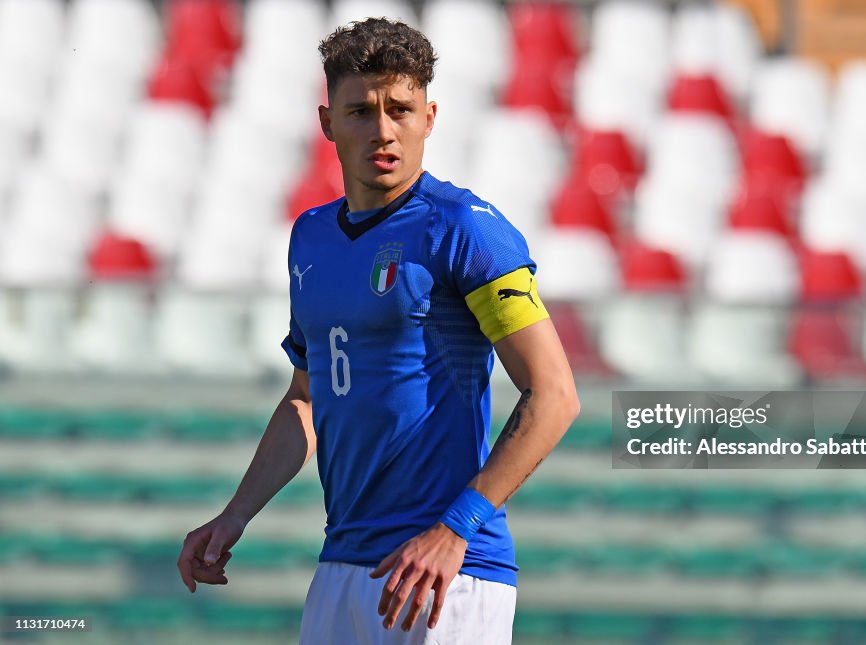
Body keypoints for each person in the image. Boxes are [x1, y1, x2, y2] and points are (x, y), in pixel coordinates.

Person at [177, 17, 579, 645]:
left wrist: (455, 529)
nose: (384, 130)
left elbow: (555, 395)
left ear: (430, 116)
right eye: (361, 111)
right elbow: (308, 398)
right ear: (327, 122)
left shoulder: (466, 230)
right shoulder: (310, 236)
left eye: (401, 108)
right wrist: (235, 515)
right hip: (342, 563)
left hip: (448, 571)